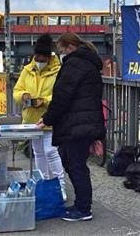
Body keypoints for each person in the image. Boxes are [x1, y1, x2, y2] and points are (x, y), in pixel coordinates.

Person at [37, 32, 105, 222]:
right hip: (83, 122)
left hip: (77, 124)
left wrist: (48, 118)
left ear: (69, 48)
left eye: (61, 50)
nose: (60, 54)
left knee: (76, 165)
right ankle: (81, 205)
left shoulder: (75, 64)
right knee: (74, 163)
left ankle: (84, 209)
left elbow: (62, 96)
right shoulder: (87, 63)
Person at [13, 34, 66, 199]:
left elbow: (62, 94)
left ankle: (60, 186)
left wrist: (44, 101)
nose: (39, 60)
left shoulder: (59, 71)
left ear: (49, 57)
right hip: (31, 119)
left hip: (50, 117)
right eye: (37, 57)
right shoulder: (27, 70)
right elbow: (16, 91)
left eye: (42, 58)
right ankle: (43, 183)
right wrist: (24, 96)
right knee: (38, 153)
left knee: (51, 151)